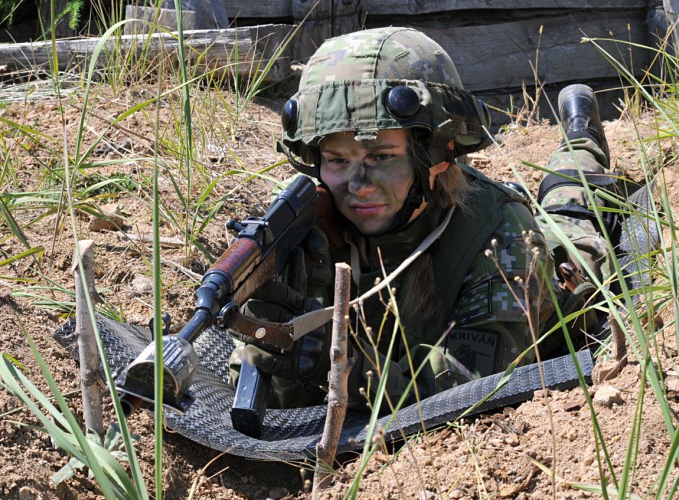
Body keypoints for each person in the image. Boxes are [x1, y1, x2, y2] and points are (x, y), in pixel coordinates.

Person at [229, 26, 619, 410]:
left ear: (439, 154)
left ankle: (580, 138)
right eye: (337, 160)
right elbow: (272, 393)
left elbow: (465, 388)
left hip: (552, 272)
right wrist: (279, 334)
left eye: (381, 157)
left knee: (570, 215)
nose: (358, 185)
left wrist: (345, 369)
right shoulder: (304, 222)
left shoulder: (503, 235)